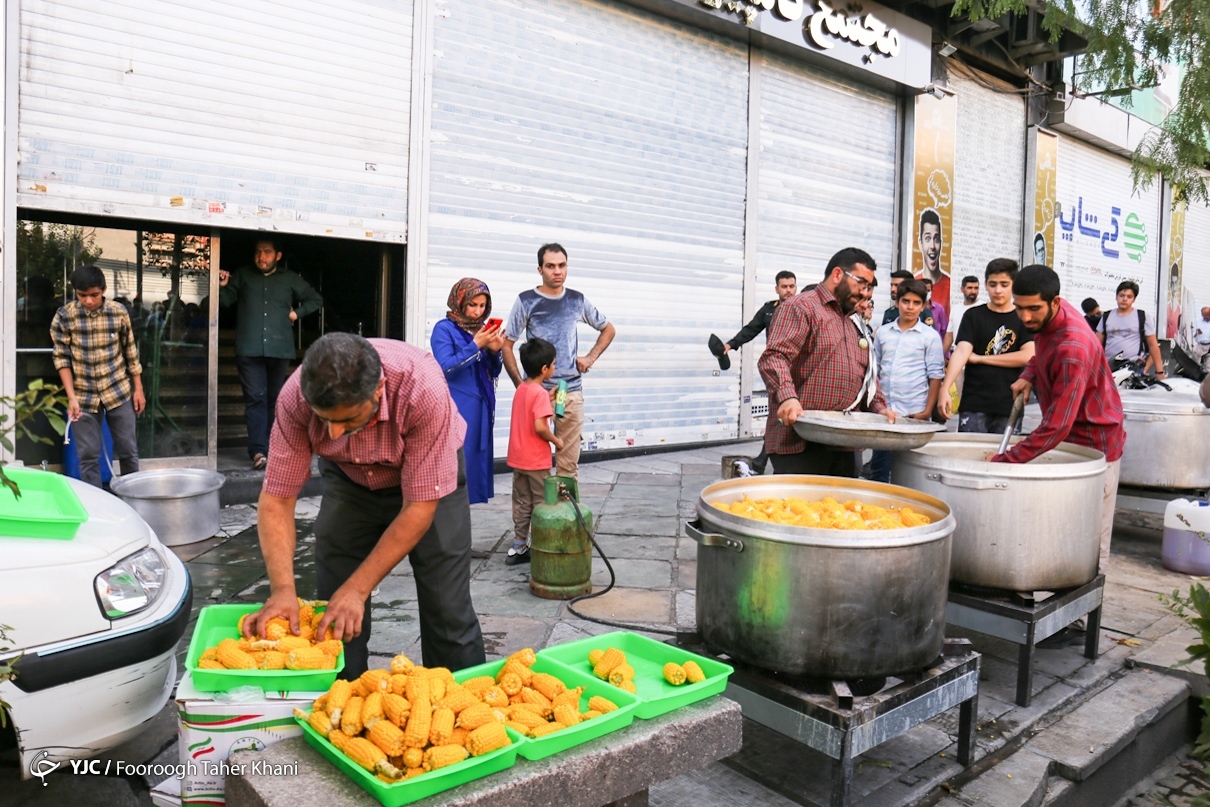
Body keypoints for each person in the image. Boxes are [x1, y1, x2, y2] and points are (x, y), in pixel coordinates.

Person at [244, 334, 486, 678]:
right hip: (349, 481)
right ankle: (345, 696)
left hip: (430, 485)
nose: (332, 434)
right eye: (324, 419)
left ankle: (458, 698)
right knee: (334, 608)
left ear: (378, 390)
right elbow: (278, 499)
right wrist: (283, 590)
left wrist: (359, 588)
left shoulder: (422, 388)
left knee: (448, 608)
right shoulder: (294, 397)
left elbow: (418, 508)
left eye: (348, 420)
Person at [992, 265, 1124, 576]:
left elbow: (1056, 425)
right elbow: (1041, 349)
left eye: (1033, 309)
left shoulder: (1073, 347)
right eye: (1019, 308)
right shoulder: (1052, 317)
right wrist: (1029, 374)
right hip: (1066, 439)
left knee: (1087, 539)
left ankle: (1079, 616)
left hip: (1095, 446)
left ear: (1055, 302)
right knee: (1056, 530)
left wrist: (1004, 461)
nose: (1025, 318)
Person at [758, 247, 894, 476]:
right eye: (861, 282)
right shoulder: (801, 307)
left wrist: (879, 407)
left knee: (842, 511)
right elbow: (775, 357)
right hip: (800, 441)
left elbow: (867, 373)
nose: (864, 292)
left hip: (846, 442)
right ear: (838, 274)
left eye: (868, 287)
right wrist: (788, 397)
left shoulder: (853, 321)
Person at [503, 243, 616, 478]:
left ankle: (566, 512)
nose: (557, 271)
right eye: (550, 266)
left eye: (562, 265)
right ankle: (534, 514)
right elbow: (507, 344)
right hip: (539, 394)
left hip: (569, 390)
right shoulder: (526, 301)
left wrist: (590, 357)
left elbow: (608, 329)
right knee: (531, 465)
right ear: (539, 269)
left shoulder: (576, 300)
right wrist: (521, 385)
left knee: (568, 465)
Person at [219, 239, 323, 470]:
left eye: (267, 252)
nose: (261, 257)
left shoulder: (289, 278)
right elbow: (223, 303)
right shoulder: (243, 275)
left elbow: (316, 299)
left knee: (275, 400)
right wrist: (223, 286)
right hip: (249, 349)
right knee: (255, 398)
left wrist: (297, 313)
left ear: (278, 255)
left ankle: (272, 447)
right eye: (257, 252)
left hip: (279, 349)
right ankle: (258, 451)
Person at [51, 265, 145, 488]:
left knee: (128, 450)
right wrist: (71, 397)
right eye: (82, 296)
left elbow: (130, 352)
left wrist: (138, 389)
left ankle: (134, 500)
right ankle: (97, 507)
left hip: (118, 390)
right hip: (83, 395)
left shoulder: (118, 312)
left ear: (103, 290)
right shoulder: (65, 317)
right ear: (75, 293)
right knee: (88, 456)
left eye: (94, 295)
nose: (89, 301)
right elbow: (61, 359)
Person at [936, 259, 1036, 432]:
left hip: (1010, 404)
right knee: (970, 456)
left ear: (1014, 285)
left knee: (1003, 458)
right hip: (975, 403)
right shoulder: (973, 316)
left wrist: (981, 358)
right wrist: (945, 388)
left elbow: (1027, 356)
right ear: (986, 285)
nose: (998, 290)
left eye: (1004, 284)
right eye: (993, 284)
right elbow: (961, 352)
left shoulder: (1023, 317)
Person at [430, 278, 504, 505]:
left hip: (480, 408)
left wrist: (494, 352)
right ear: (460, 301)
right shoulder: (444, 329)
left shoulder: (480, 330)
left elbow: (493, 371)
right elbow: (446, 367)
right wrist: (475, 345)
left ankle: (460, 521)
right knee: (457, 464)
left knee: (473, 466)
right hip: (457, 407)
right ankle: (449, 518)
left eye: (482, 306)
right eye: (473, 305)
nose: (477, 311)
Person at [869, 280, 944, 482]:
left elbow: (935, 375)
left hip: (914, 413)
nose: (910, 307)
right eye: (906, 301)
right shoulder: (883, 333)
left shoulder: (930, 337)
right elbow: (875, 370)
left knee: (911, 472)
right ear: (897, 302)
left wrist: (927, 411)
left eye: (916, 303)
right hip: (885, 414)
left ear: (923, 305)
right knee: (880, 470)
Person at [505, 338, 563, 566]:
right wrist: (556, 440)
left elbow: (530, 409)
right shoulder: (538, 394)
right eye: (554, 364)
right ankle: (542, 546)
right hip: (536, 461)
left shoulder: (523, 389)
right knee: (542, 504)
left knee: (523, 502)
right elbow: (540, 427)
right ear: (544, 369)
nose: (555, 368)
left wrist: (548, 398)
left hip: (518, 459)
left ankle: (519, 545)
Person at [708, 270, 797, 372]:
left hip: (798, 361)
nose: (789, 290)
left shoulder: (804, 309)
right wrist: (730, 344)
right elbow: (751, 329)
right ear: (777, 289)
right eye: (784, 287)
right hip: (777, 362)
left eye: (792, 286)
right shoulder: (768, 309)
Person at [1099, 280, 1165, 378]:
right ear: (1116, 297)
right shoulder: (1106, 316)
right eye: (1121, 295)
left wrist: (1159, 372)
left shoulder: (1142, 316)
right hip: (1109, 368)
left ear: (1134, 299)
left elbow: (1153, 345)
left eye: (1129, 297)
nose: (1124, 299)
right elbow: (1096, 344)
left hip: (1133, 369)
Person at [916, 208, 949, 316]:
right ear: (920, 243)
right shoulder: (912, 282)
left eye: (936, 239)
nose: (932, 246)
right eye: (927, 239)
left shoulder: (950, 284)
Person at [944, 275, 982, 354]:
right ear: (962, 289)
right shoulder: (955, 309)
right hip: (958, 358)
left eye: (976, 288)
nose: (973, 291)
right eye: (970, 288)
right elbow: (949, 335)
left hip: (977, 358)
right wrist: (940, 356)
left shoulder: (983, 308)